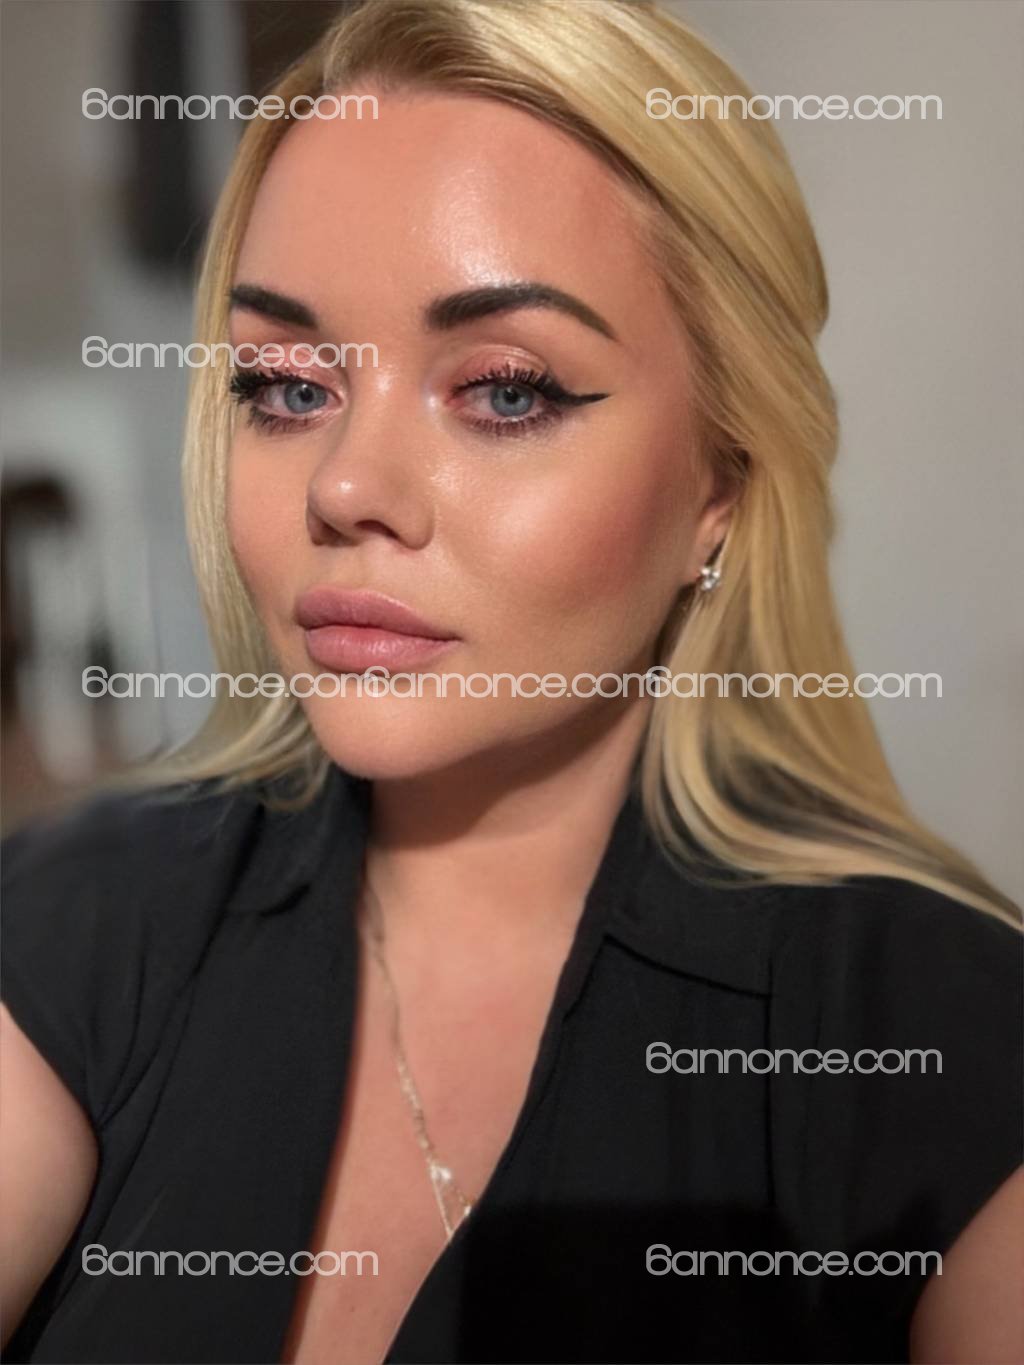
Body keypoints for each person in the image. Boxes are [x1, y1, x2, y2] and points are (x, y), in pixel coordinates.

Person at [2, 2, 1021, 1362]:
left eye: (505, 391)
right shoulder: (81, 920)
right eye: (288, 387)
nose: (347, 488)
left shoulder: (927, 1038)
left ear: (719, 484)